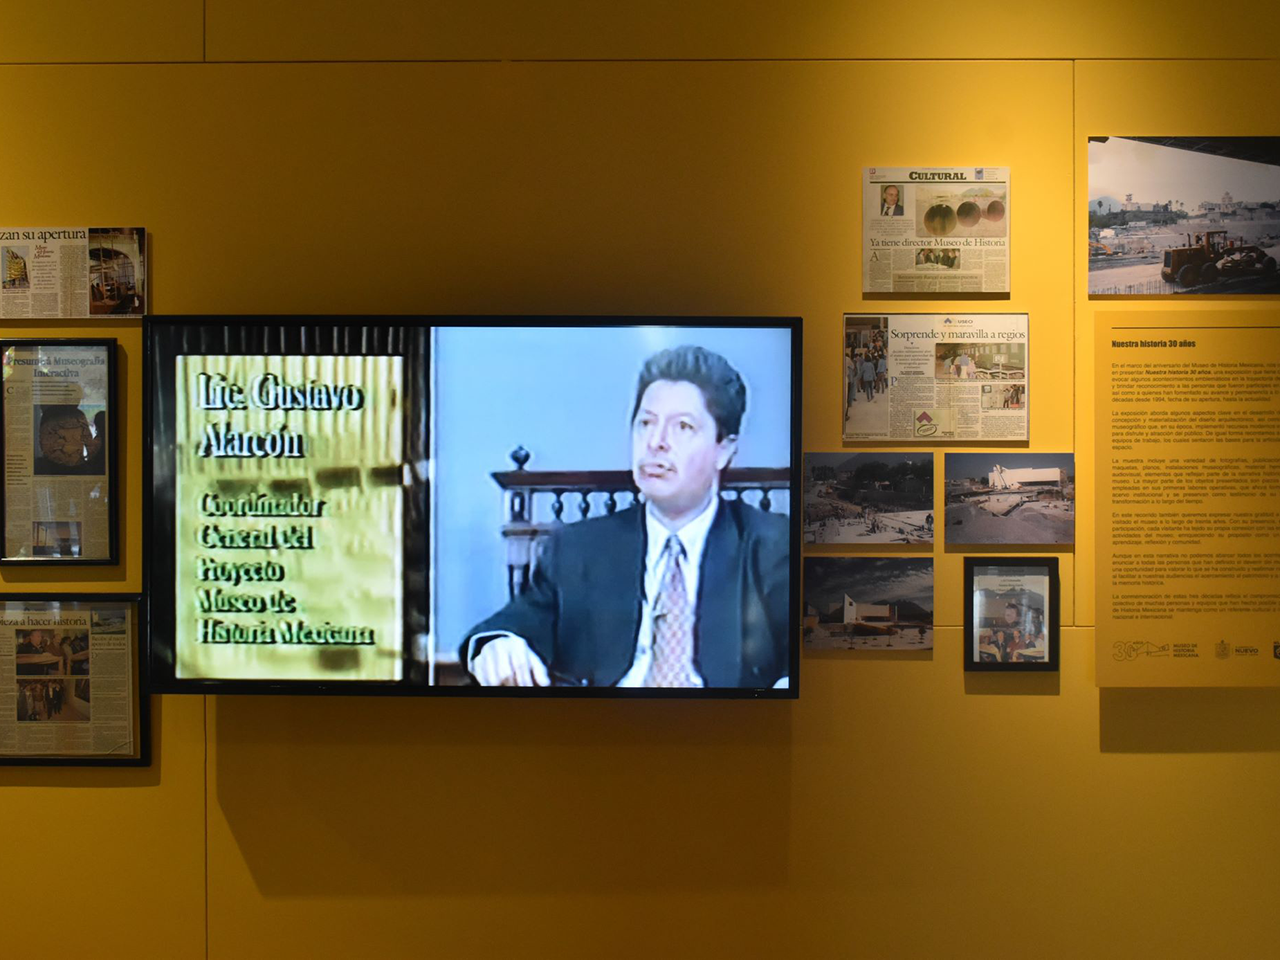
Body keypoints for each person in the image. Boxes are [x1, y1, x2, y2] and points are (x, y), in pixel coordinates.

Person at [461, 345, 790, 689]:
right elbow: (514, 626)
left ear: (724, 449)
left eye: (682, 426)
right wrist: (499, 645)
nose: (656, 442)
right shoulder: (578, 549)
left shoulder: (773, 548)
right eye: (645, 423)